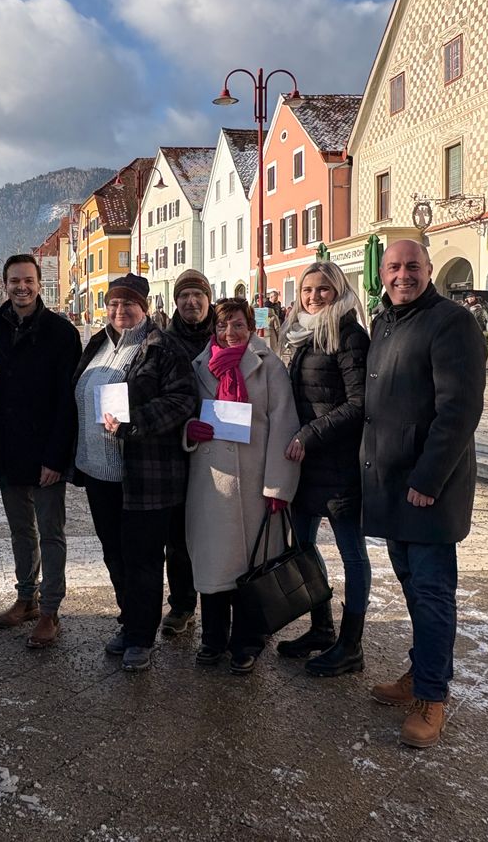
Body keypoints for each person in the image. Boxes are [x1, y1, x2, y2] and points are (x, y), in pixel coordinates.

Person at [363, 240, 485, 749]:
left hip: (427, 490)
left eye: (412, 266)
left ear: (429, 271)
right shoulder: (384, 321)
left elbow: (458, 411)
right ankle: (422, 672)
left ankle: (432, 697)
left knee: (433, 593)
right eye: (393, 267)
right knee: (414, 588)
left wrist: (427, 479)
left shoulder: (451, 321)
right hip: (392, 485)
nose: (402, 275)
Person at [72, 273, 195, 672]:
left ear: (143, 307)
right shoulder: (97, 343)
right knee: (114, 554)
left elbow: (182, 400)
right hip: (98, 472)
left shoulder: (162, 347)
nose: (120, 311)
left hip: (143, 474)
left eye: (128, 304)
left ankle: (141, 636)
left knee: (142, 558)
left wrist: (134, 422)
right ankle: (129, 620)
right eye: (113, 304)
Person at [183, 298, 300, 675]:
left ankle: (247, 642)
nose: (229, 333)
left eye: (237, 325)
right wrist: (189, 431)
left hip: (254, 486)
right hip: (211, 485)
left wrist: (279, 487)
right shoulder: (199, 366)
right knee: (214, 567)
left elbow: (284, 426)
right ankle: (212, 639)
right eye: (222, 326)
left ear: (250, 327)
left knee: (252, 571)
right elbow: (183, 413)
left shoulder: (270, 367)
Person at [0, 254, 82, 648]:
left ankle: (50, 610)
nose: (21, 287)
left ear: (39, 284)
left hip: (45, 451)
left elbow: (67, 402)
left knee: (51, 532)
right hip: (8, 446)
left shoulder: (60, 332)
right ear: (4, 284)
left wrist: (57, 458)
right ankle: (26, 598)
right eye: (14, 281)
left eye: (27, 280)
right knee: (22, 530)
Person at [277, 262, 372, 677]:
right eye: (307, 290)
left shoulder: (349, 334)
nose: (314, 297)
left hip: (338, 463)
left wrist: (308, 435)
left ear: (339, 291)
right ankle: (321, 626)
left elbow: (358, 403)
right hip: (306, 463)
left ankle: (351, 645)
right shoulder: (301, 334)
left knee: (352, 554)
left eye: (323, 290)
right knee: (302, 548)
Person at [157, 268, 217, 638]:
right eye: (184, 297)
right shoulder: (163, 341)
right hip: (176, 452)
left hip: (224, 449)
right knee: (177, 537)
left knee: (221, 532)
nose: (191, 302)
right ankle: (182, 605)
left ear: (208, 300)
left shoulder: (225, 336)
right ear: (176, 303)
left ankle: (221, 604)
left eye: (198, 296)